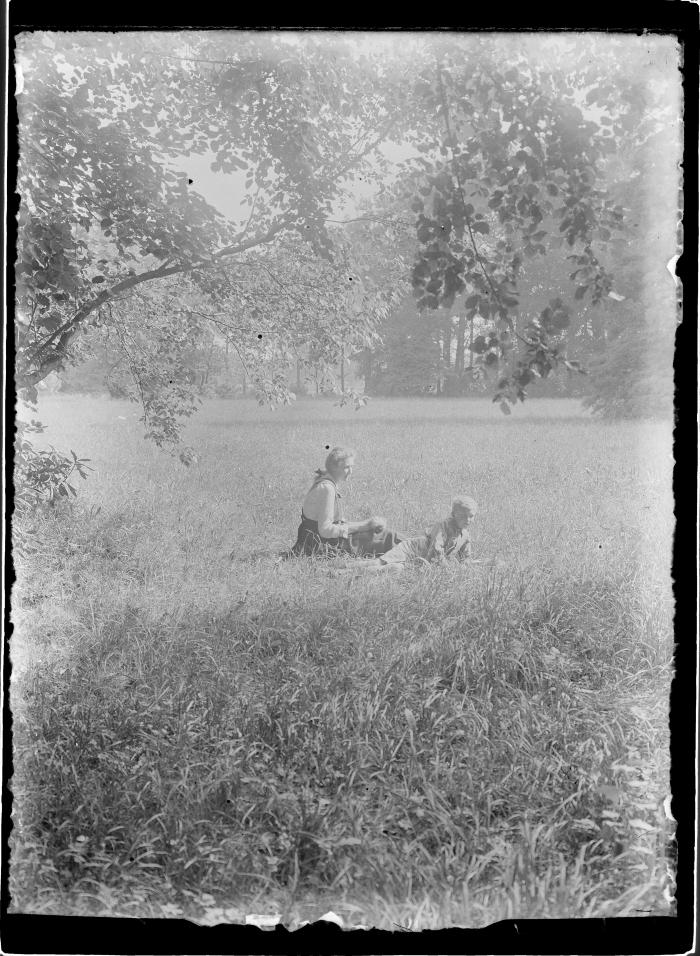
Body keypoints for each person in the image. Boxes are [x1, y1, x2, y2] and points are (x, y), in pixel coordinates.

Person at [289, 446, 401, 557]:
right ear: (334, 468)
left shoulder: (327, 483)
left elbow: (334, 524)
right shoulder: (327, 488)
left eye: (352, 467)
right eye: (347, 467)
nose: (351, 471)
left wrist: (367, 524)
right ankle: (414, 547)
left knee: (382, 534)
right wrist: (364, 526)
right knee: (386, 536)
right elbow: (325, 530)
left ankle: (414, 545)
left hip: (319, 539)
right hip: (319, 544)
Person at [332, 495, 481, 575]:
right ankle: (343, 569)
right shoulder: (442, 526)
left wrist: (468, 567)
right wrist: (447, 568)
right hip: (411, 549)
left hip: (421, 561)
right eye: (462, 516)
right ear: (453, 514)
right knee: (381, 562)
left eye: (471, 516)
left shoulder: (465, 535)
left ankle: (345, 573)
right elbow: (437, 549)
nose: (467, 520)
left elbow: (465, 558)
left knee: (392, 569)